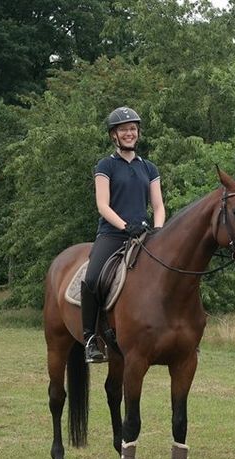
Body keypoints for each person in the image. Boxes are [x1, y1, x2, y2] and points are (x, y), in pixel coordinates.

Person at [81, 106, 166, 363]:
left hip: (145, 235)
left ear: (138, 133)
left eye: (132, 129)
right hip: (113, 234)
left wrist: (159, 230)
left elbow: (159, 205)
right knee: (92, 278)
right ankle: (90, 339)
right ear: (113, 135)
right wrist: (125, 226)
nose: (129, 133)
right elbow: (103, 205)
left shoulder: (149, 168)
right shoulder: (106, 165)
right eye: (123, 129)